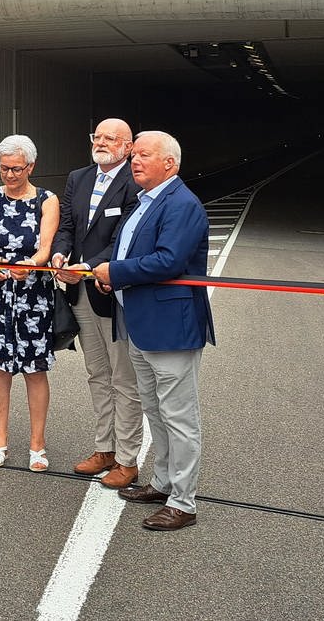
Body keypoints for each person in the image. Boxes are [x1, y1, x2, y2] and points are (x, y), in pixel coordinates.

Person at [91, 131, 215, 532]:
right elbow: (129, 253)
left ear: (170, 164)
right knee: (156, 412)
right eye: (134, 155)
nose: (135, 160)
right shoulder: (145, 202)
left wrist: (116, 272)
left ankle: (184, 501)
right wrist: (113, 274)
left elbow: (168, 261)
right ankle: (162, 483)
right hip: (141, 323)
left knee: (180, 417)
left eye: (144, 155)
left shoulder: (182, 204)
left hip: (170, 327)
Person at [52, 119, 143, 489]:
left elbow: (124, 238)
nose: (101, 142)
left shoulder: (135, 182)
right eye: (97, 136)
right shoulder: (79, 177)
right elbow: (67, 227)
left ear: (128, 145)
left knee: (124, 379)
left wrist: (89, 266)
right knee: (97, 374)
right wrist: (59, 257)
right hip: (79, 292)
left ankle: (127, 458)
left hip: (111, 292)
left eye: (110, 138)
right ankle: (104, 448)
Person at [0, 136, 60, 473]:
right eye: (3, 168)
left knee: (35, 370)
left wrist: (30, 266)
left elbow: (46, 247)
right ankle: (0, 440)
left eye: (16, 169)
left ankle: (37, 444)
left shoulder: (47, 200)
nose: (9, 174)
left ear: (31, 167)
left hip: (33, 293)